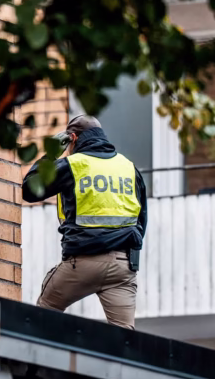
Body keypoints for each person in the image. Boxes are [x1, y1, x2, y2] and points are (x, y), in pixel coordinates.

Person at [22, 114, 148, 330]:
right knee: (126, 339)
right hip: (123, 265)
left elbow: (30, 189)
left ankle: (39, 362)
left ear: (72, 138)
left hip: (83, 262)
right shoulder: (128, 167)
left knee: (44, 313)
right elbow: (141, 219)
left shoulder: (74, 165)